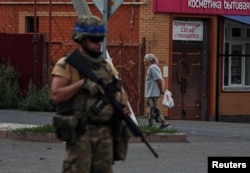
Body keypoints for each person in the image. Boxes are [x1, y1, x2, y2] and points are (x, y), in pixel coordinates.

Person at [50, 15, 130, 173]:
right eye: (94, 39)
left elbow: (120, 90)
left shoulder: (105, 66)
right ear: (82, 39)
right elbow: (56, 95)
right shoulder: (67, 64)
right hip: (82, 133)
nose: (99, 43)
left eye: (101, 39)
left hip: (105, 133)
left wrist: (122, 105)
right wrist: (82, 84)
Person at [143, 53, 169, 129]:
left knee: (151, 108)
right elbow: (161, 79)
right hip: (152, 92)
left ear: (150, 60)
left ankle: (152, 124)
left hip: (153, 92)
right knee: (152, 108)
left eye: (145, 59)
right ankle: (162, 122)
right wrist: (162, 89)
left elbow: (159, 79)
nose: (143, 60)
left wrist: (162, 90)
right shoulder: (153, 67)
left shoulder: (152, 67)